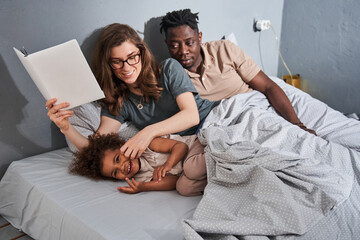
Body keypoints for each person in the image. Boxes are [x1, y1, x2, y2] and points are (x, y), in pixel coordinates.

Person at [46, 23, 218, 159]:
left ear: (142, 53)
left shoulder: (168, 69)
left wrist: (147, 132)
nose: (126, 67)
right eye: (117, 61)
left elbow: (191, 115)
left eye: (132, 57)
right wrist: (66, 128)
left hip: (216, 117)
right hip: (197, 139)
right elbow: (96, 147)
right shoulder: (120, 101)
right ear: (108, 65)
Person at [160, 9, 316, 135]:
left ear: (199, 38)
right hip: (224, 126)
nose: (183, 51)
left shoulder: (224, 49)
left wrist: (297, 124)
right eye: (174, 45)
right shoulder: (172, 76)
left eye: (189, 43)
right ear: (167, 44)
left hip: (253, 109)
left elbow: (268, 86)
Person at [69, 132, 202, 195]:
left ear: (123, 146)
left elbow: (181, 147)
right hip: (190, 171)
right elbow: (174, 182)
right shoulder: (139, 178)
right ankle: (214, 175)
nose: (122, 167)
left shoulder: (147, 145)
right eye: (115, 173)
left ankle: (216, 161)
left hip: (195, 147)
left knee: (191, 168)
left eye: (117, 159)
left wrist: (167, 165)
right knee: (184, 188)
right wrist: (145, 186)